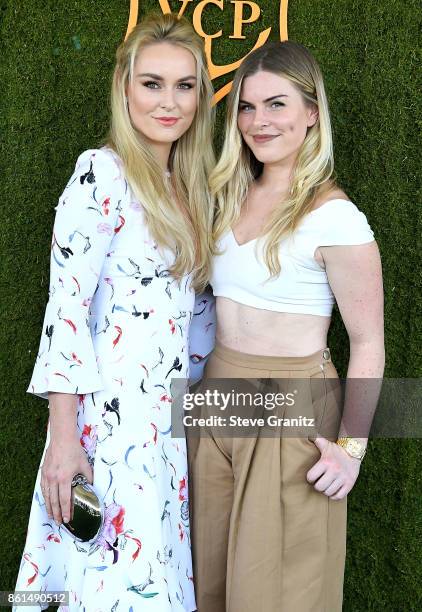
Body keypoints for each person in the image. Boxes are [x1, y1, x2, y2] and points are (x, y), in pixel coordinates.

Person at [14, 13, 214, 611]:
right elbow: (66, 307)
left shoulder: (194, 185)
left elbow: (199, 325)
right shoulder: (101, 173)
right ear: (124, 87)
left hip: (169, 432)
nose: (169, 103)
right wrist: (63, 439)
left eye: (184, 86)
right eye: (152, 84)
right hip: (107, 428)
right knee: (106, 582)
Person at [188, 41, 384, 611]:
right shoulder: (225, 196)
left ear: (311, 112)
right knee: (211, 582)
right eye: (246, 108)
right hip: (217, 400)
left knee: (278, 591)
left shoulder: (336, 216)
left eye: (276, 105)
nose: (258, 122)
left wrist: (351, 449)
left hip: (293, 406)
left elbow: (368, 342)